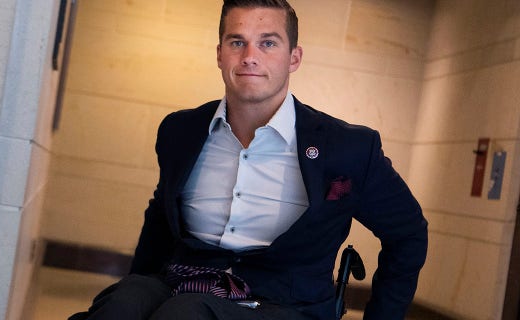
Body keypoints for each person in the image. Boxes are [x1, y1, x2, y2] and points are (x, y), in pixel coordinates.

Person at [70, 0, 428, 319]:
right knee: (123, 303)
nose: (249, 56)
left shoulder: (348, 147)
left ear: (294, 58)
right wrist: (142, 286)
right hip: (187, 281)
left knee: (186, 313)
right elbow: (162, 218)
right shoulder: (180, 130)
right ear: (219, 53)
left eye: (268, 43)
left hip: (285, 303)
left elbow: (408, 233)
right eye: (236, 42)